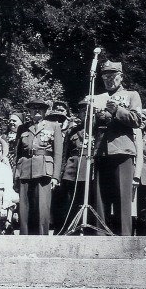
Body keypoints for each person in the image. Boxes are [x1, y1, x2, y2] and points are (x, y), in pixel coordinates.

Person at [93, 60, 142, 236]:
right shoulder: (97, 97)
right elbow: (89, 127)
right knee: (100, 200)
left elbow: (138, 120)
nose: (109, 80)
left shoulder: (131, 95)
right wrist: (95, 118)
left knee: (123, 200)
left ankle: (125, 241)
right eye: (105, 77)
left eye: (112, 76)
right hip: (101, 152)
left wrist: (118, 111)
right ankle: (101, 239)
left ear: (121, 77)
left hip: (122, 152)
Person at [15, 97, 62, 235]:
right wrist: (16, 174)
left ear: (45, 111)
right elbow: (17, 153)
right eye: (33, 108)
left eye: (40, 108)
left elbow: (58, 153)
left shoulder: (54, 126)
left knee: (43, 207)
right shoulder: (22, 128)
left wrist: (55, 177)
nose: (37, 110)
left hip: (44, 170)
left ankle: (42, 239)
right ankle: (24, 239)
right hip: (25, 169)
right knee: (24, 208)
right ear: (29, 111)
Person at [55, 97, 91, 233]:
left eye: (88, 111)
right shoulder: (72, 131)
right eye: (82, 111)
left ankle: (89, 229)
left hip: (90, 169)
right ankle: (70, 229)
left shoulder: (98, 130)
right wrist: (60, 174)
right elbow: (64, 154)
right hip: (72, 170)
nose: (85, 114)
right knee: (70, 202)